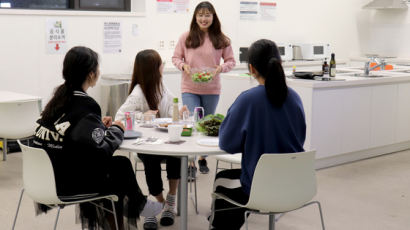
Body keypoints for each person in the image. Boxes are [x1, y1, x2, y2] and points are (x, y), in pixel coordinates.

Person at [33, 46, 163, 230]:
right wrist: (117, 129)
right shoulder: (86, 105)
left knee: (115, 168)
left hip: (42, 177)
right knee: (119, 167)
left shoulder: (59, 98)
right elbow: (101, 151)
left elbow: (71, 133)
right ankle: (137, 206)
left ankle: (135, 206)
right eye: (98, 68)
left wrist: (98, 126)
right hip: (66, 182)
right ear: (92, 74)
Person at [209, 39, 307, 230]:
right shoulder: (295, 97)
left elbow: (227, 144)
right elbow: (299, 138)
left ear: (251, 69)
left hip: (259, 187)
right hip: (296, 183)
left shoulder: (248, 100)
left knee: (223, 179)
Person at [115, 49, 188, 230]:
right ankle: (159, 204)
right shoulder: (138, 93)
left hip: (164, 139)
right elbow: (120, 117)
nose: (163, 66)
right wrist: (142, 116)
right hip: (147, 144)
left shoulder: (161, 85)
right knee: (150, 159)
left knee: (176, 152)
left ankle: (170, 200)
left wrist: (177, 113)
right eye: (160, 63)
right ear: (153, 68)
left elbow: (170, 109)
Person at [172, 1, 236, 175]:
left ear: (213, 17)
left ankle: (202, 158)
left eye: (207, 15)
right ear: (195, 17)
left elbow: (231, 61)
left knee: (207, 125)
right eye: (200, 15)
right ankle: (191, 162)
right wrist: (183, 66)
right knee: (193, 122)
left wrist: (220, 68)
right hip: (189, 86)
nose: (203, 18)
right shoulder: (186, 37)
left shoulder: (222, 39)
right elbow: (176, 58)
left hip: (212, 88)